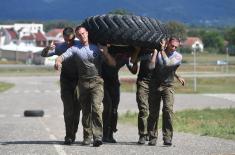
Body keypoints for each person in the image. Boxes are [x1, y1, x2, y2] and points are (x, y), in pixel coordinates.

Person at [54, 25, 116, 147]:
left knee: (97, 108)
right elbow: (63, 56)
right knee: (86, 111)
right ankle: (87, 136)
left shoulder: (97, 48)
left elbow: (112, 64)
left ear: (87, 33)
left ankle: (97, 137)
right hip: (82, 83)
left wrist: (106, 54)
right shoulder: (75, 49)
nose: (82, 36)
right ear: (77, 36)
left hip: (97, 82)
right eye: (79, 35)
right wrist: (58, 61)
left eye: (83, 33)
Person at [41, 27, 81, 145]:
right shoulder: (60, 47)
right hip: (66, 81)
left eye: (71, 40)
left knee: (77, 109)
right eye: (66, 40)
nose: (68, 42)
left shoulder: (79, 45)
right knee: (68, 109)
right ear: (63, 38)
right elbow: (44, 55)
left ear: (74, 37)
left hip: (79, 81)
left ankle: (73, 131)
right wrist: (48, 47)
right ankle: (69, 136)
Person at [147, 37, 183, 146]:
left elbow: (168, 64)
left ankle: (167, 138)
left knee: (168, 110)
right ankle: (152, 137)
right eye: (172, 45)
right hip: (155, 84)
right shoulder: (157, 53)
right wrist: (154, 55)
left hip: (168, 85)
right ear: (167, 43)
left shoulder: (178, 56)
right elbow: (150, 67)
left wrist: (162, 51)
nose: (174, 48)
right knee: (153, 112)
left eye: (176, 47)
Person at [101, 46, 138, 143]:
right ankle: (104, 134)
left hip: (114, 83)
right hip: (103, 82)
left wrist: (136, 57)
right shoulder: (106, 51)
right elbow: (112, 64)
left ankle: (110, 133)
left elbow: (133, 71)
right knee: (108, 106)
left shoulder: (125, 56)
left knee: (114, 109)